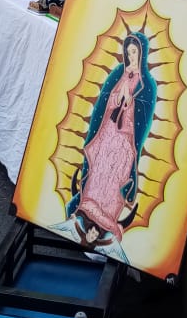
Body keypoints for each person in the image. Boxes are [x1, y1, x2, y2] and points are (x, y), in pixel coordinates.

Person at [65, 32, 157, 248]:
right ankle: (86, 208)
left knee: (116, 178)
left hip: (125, 140)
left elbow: (144, 117)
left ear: (142, 54)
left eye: (135, 52)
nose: (131, 56)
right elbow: (104, 100)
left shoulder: (148, 84)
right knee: (99, 172)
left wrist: (131, 101)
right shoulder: (118, 73)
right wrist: (117, 98)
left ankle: (105, 218)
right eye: (128, 52)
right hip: (107, 133)